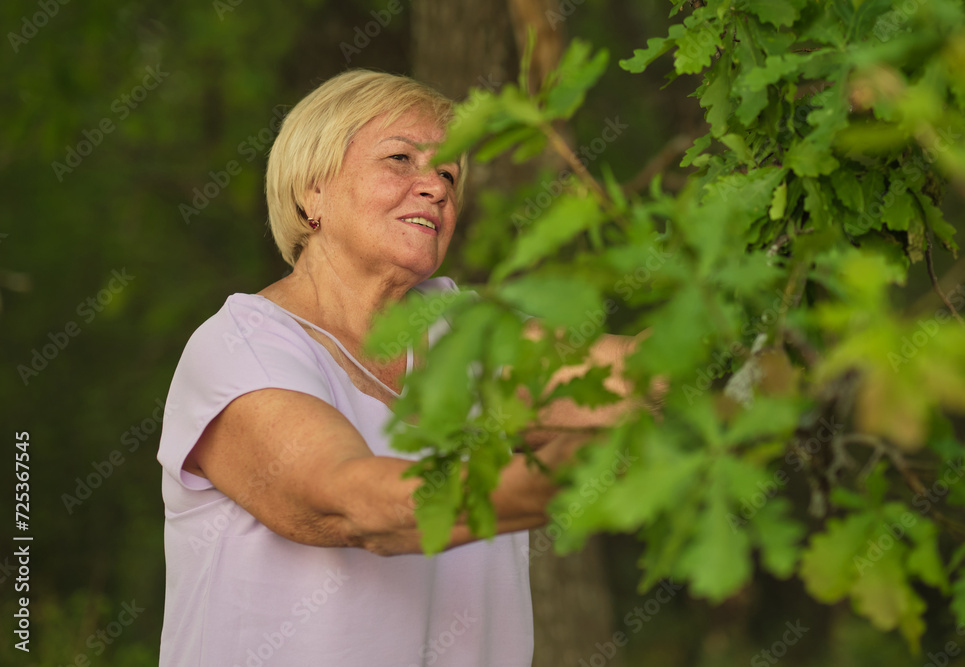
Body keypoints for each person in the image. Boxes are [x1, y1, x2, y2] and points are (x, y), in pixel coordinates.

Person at [157, 69, 634, 666]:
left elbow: (647, 374)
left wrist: (755, 312)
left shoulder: (462, 330)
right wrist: (568, 477)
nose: (434, 187)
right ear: (313, 193)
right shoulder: (241, 347)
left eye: (448, 173)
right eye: (401, 158)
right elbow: (355, 502)